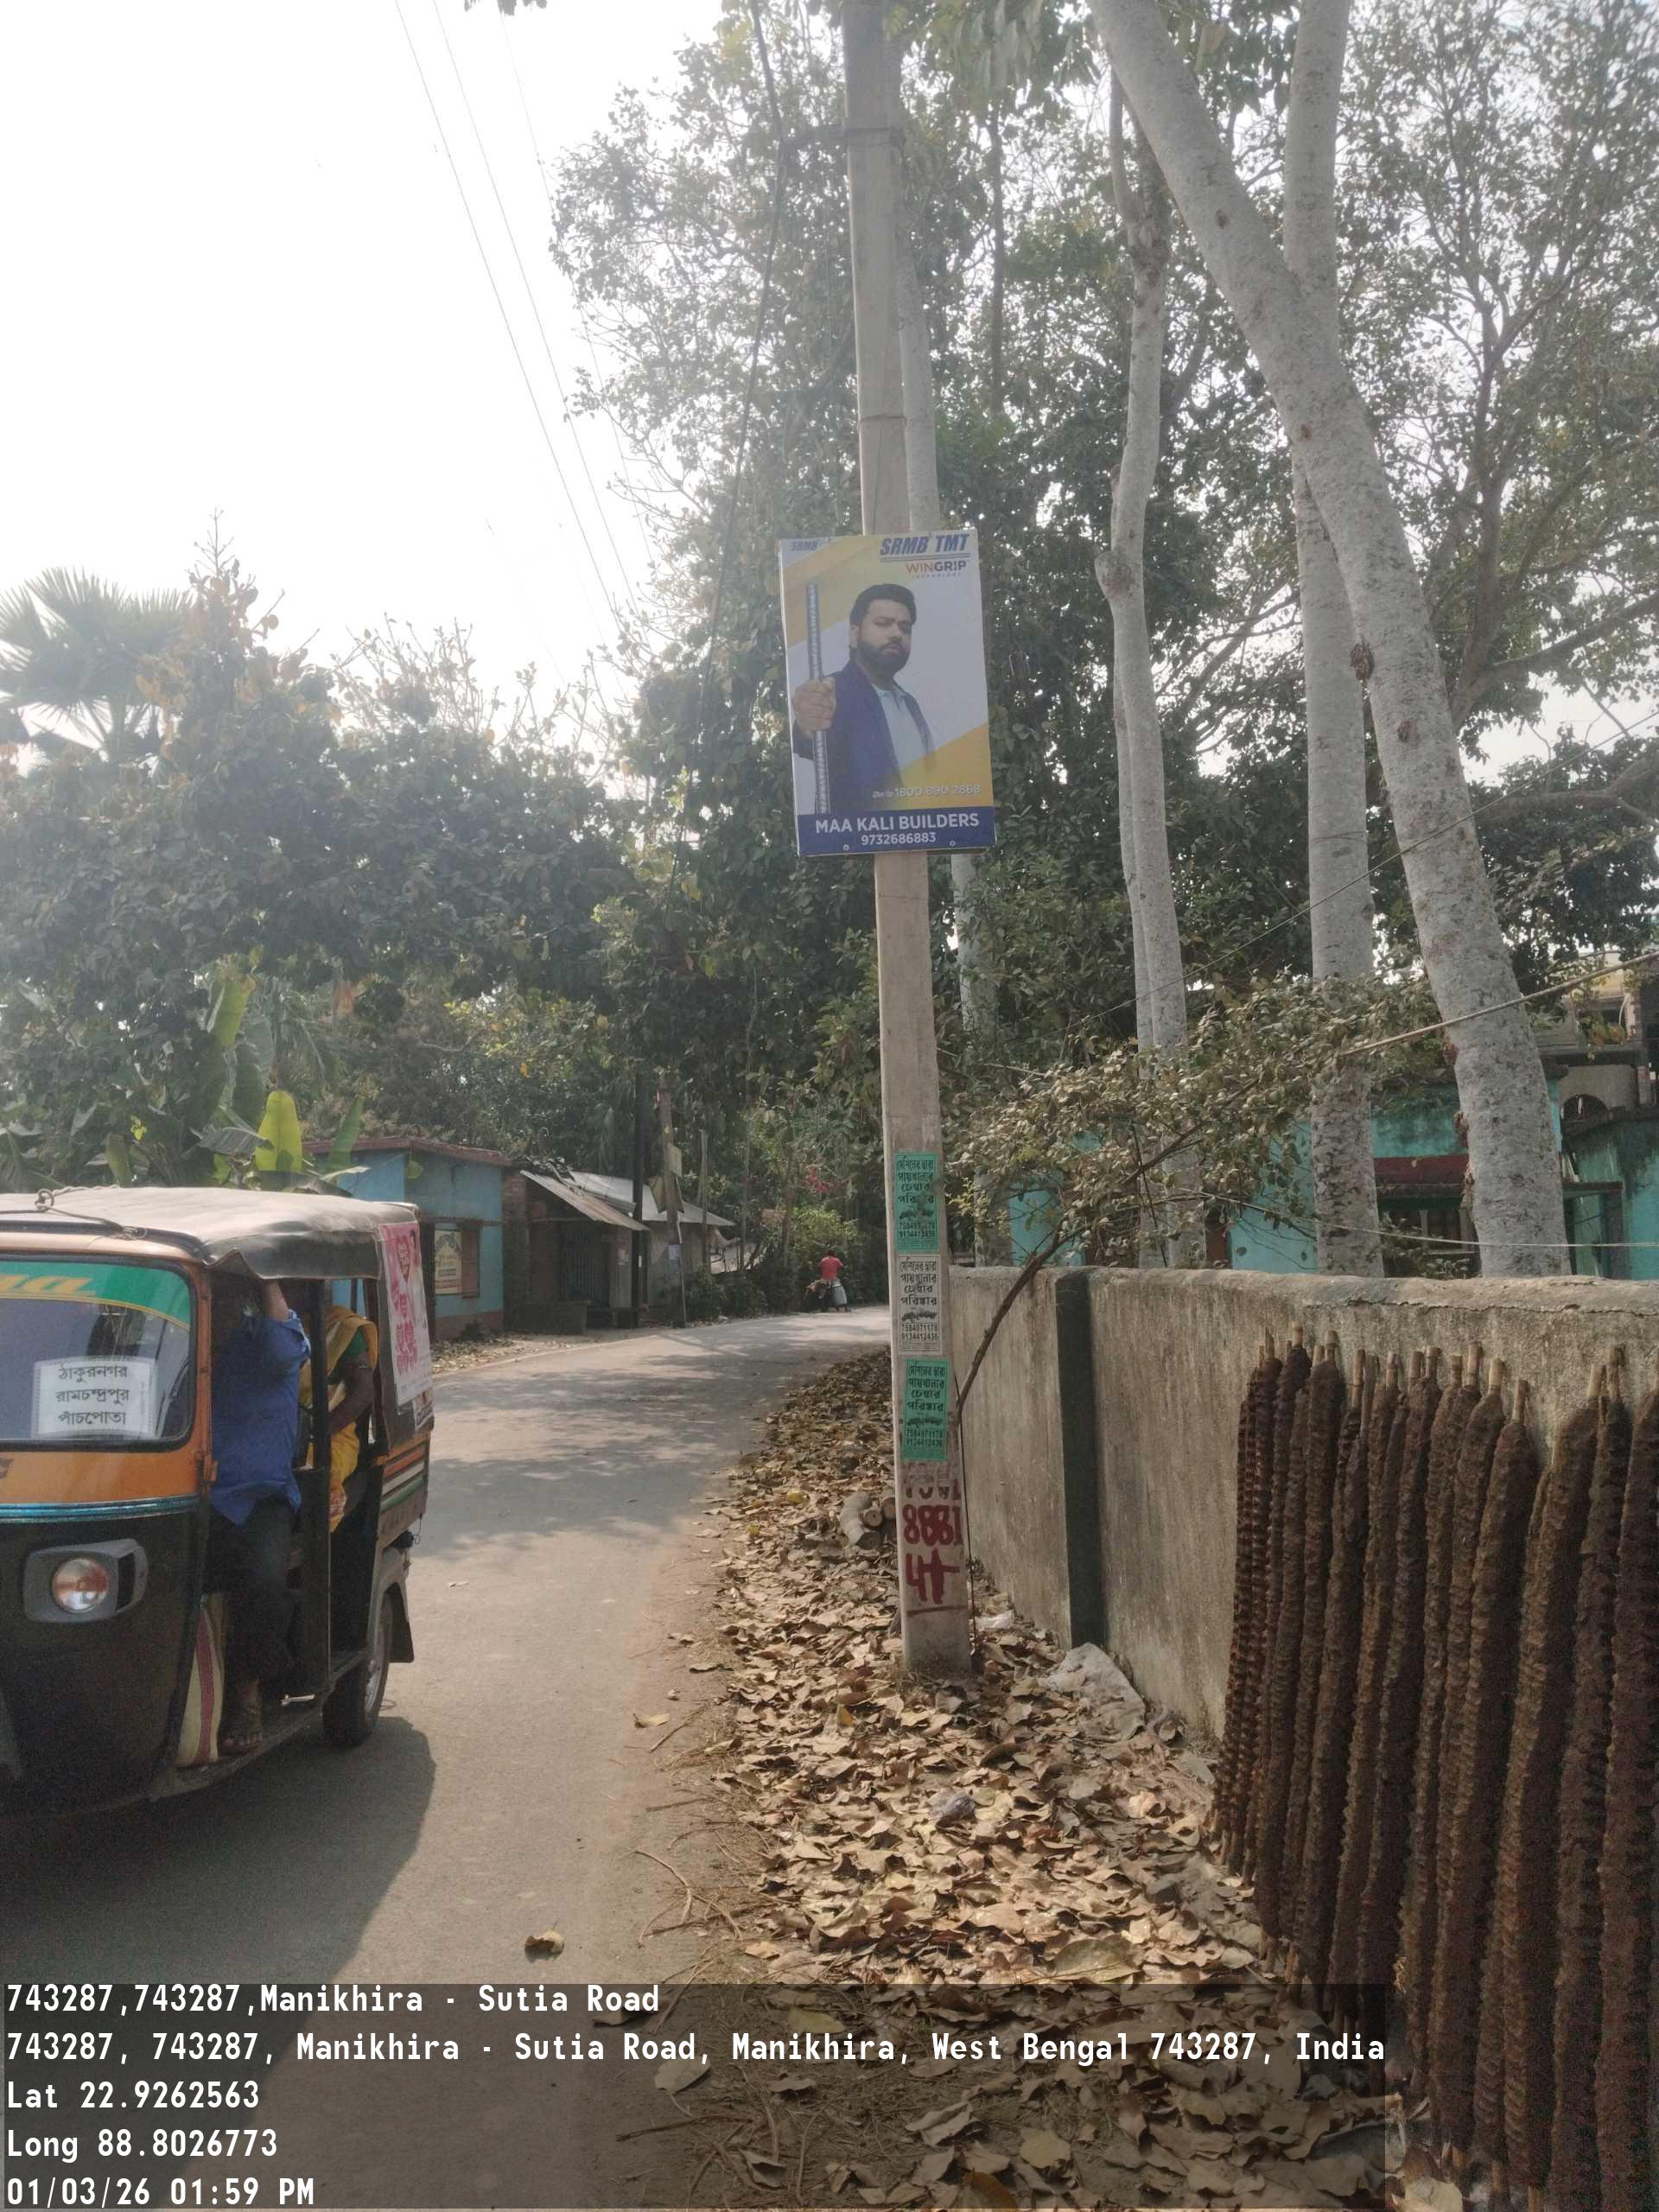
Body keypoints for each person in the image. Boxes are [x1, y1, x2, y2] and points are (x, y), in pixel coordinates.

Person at [205, 1273, 308, 1757]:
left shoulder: (273, 1342)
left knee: (265, 1586)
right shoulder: (178, 1344)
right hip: (190, 1496)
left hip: (261, 1498)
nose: (219, 1307)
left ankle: (246, 1691)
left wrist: (266, 1277)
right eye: (210, 1296)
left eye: (228, 1296)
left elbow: (285, 1352)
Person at [791, 583, 938, 816]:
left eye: (905, 628)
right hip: (856, 837)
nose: (897, 634)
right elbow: (813, 739)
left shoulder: (909, 704)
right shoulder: (834, 692)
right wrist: (806, 725)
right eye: (883, 623)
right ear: (854, 634)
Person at [298, 1301, 378, 1529]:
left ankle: (318, 1541)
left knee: (316, 1475)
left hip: (333, 1435)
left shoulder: (340, 1327)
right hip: (277, 1430)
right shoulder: (264, 1322)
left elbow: (364, 1391)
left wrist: (318, 1435)